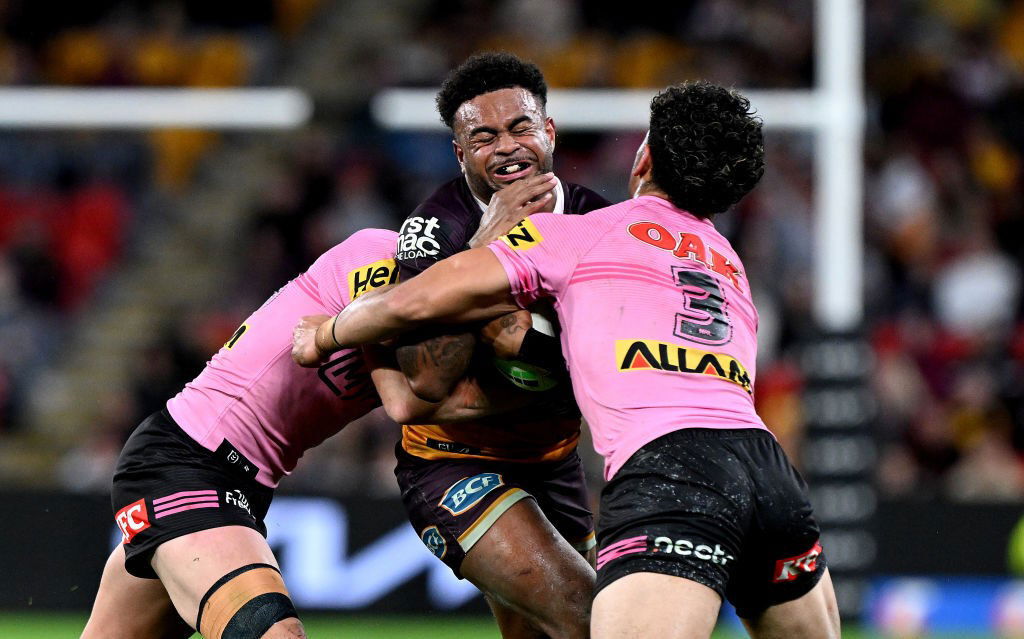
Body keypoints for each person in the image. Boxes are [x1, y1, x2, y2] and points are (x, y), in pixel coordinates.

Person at [296, 82, 842, 639]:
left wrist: (327, 332)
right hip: (766, 468)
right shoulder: (727, 261)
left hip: (670, 467)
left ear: (643, 158)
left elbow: (417, 301)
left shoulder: (584, 232)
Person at [81, 228, 528, 639]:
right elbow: (407, 402)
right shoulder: (378, 256)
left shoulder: (442, 319)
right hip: (187, 463)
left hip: (238, 483)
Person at [386, 51, 610, 639]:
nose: (507, 146)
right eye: (483, 137)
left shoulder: (600, 222)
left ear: (549, 132)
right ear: (461, 153)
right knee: (590, 616)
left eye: (520, 127)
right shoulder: (435, 229)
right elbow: (429, 381)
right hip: (452, 460)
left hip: (554, 463)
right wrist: (484, 249)